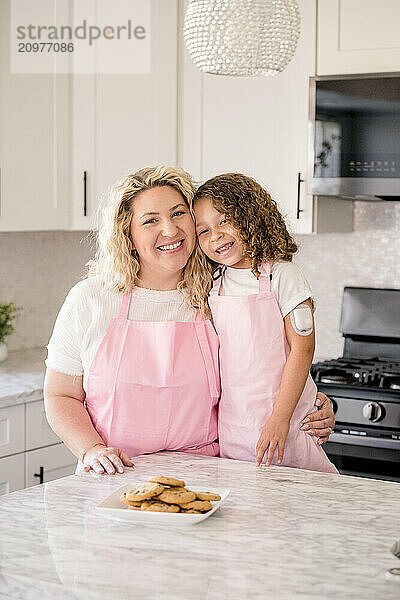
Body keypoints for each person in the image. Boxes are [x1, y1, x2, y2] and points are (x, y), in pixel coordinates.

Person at [44, 166, 335, 476]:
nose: (169, 230)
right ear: (126, 235)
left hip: (209, 476)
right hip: (114, 474)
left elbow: (259, 365)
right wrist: (92, 450)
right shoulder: (90, 299)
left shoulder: (217, 291)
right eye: (151, 220)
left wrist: (309, 403)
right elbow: (60, 395)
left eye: (178, 213)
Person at [193, 172, 338, 473]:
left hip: (287, 423)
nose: (215, 235)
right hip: (235, 429)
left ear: (250, 216)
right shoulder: (212, 283)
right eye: (203, 230)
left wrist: (279, 419)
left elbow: (303, 349)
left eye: (223, 221)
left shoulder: (283, 276)